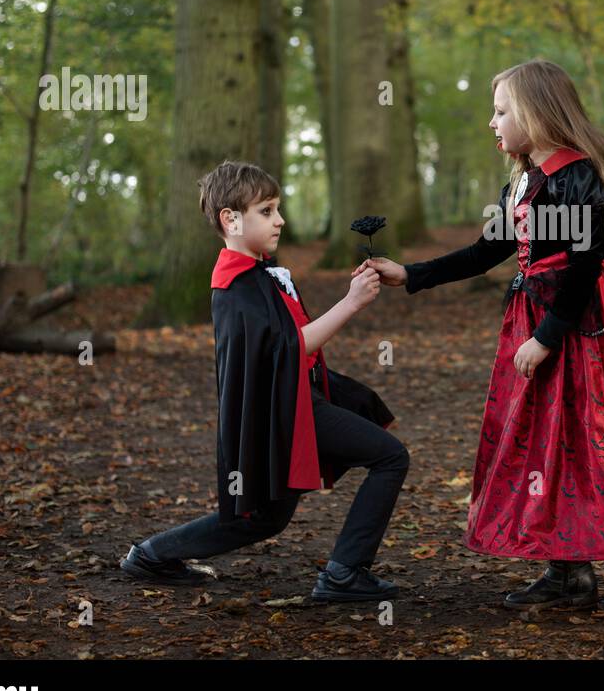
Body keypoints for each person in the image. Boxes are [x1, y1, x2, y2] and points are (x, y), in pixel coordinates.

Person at [358, 59, 604, 611]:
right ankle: (569, 570)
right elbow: (488, 250)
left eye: (501, 111)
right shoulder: (523, 178)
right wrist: (412, 274)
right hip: (538, 314)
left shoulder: (576, 174)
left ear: (537, 113)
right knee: (551, 437)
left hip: (582, 320)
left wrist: (546, 336)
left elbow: (585, 261)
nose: (492, 123)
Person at [121, 160, 409, 602]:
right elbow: (289, 349)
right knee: (390, 457)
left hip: (290, 399)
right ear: (231, 219)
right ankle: (344, 574)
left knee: (264, 519)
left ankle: (151, 555)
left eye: (278, 209)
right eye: (268, 210)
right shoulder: (236, 284)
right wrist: (350, 304)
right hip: (283, 407)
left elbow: (291, 347)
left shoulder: (260, 275)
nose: (280, 220)